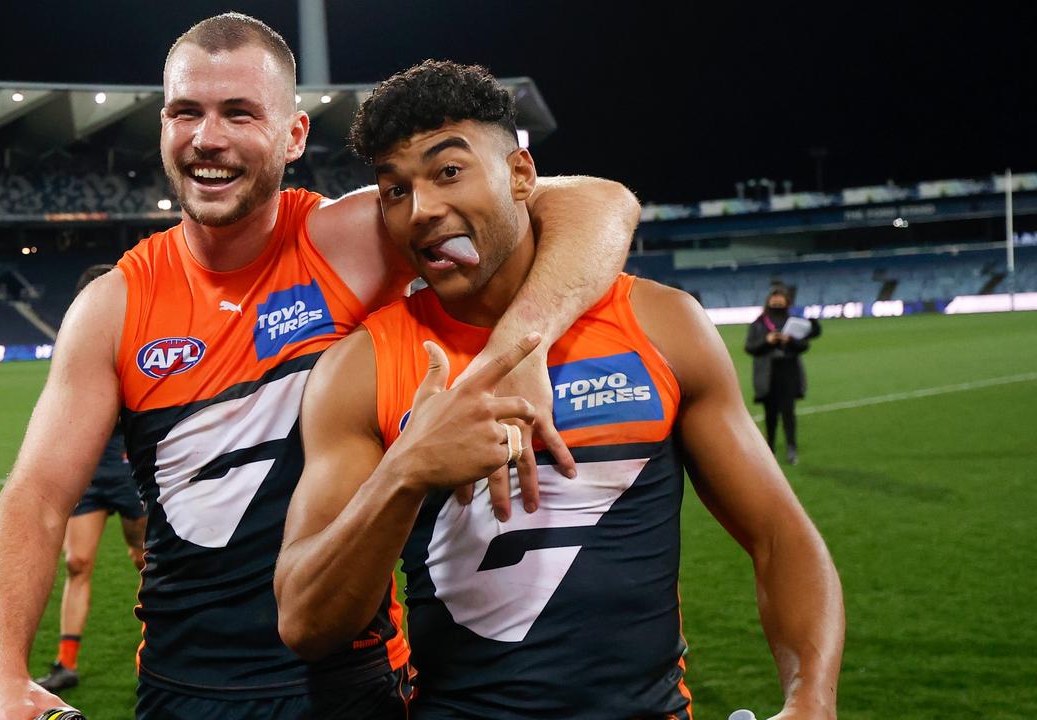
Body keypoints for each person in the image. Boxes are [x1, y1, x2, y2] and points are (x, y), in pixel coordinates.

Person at [0, 13, 642, 720]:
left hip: (350, 682)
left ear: (294, 135)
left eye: (239, 113)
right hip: (185, 688)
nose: (209, 138)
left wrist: (521, 345)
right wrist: (1, 677)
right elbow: (37, 500)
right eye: (186, 113)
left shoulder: (350, 240)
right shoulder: (112, 308)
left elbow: (600, 201)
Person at [275, 60, 844, 719]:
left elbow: (781, 537)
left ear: (521, 175)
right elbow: (306, 623)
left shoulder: (660, 325)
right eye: (395, 190)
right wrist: (404, 473)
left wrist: (812, 697)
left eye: (448, 171)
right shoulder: (361, 367)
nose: (423, 209)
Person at [33, 264, 148, 695]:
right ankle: (66, 663)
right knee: (76, 563)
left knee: (145, 562)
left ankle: (155, 645)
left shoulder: (139, 342)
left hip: (129, 470)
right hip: (88, 470)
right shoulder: (76, 346)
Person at [745, 284, 812, 465]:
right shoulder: (759, 323)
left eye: (780, 297)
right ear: (768, 300)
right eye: (774, 297)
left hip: (789, 371)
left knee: (789, 412)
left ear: (786, 301)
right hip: (768, 374)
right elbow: (750, 347)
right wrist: (767, 341)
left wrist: (789, 340)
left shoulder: (794, 321)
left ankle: (791, 448)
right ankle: (770, 449)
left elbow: (804, 346)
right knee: (770, 414)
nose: (777, 300)